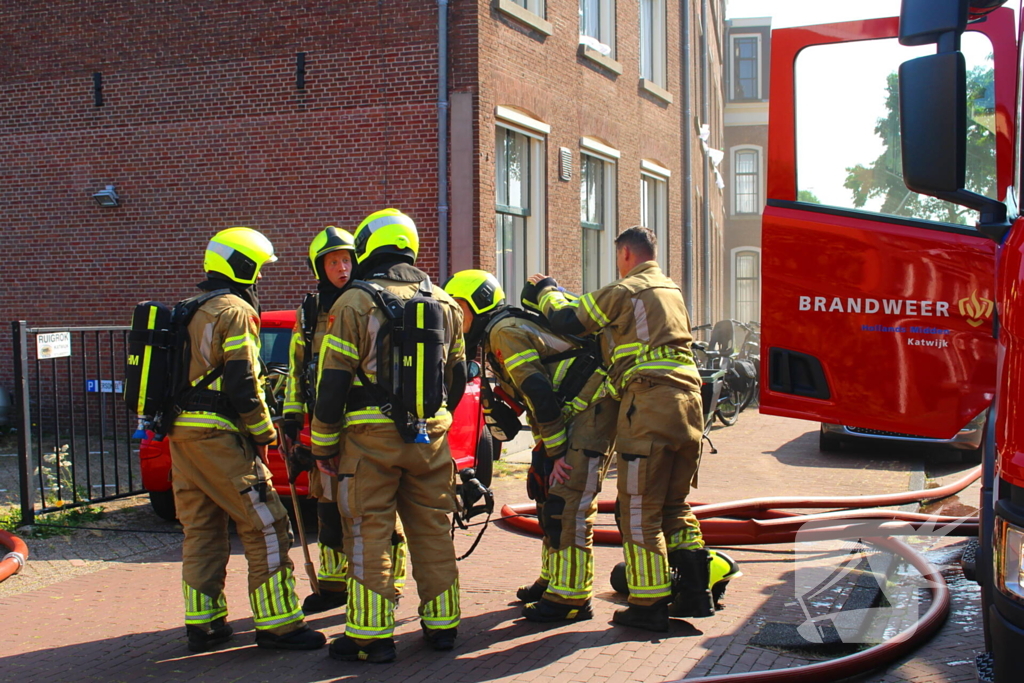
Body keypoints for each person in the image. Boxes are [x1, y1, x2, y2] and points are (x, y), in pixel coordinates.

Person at [523, 226, 712, 633]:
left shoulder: (627, 290)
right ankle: (698, 592)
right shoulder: (672, 291)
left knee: (638, 510)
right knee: (674, 506)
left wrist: (547, 289)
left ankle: (649, 604)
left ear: (625, 253)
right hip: (691, 406)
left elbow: (568, 319)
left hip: (650, 405)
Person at [311, 209, 466, 663]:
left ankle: (369, 636)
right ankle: (443, 626)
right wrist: (432, 420)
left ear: (368, 247)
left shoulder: (353, 302)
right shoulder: (445, 301)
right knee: (433, 529)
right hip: (430, 437)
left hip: (368, 441)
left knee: (368, 531)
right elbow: (457, 379)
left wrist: (323, 446)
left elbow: (332, 383)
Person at [168, 227, 326, 652]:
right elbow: (244, 380)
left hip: (182, 436)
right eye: (257, 268)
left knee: (201, 529)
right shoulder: (235, 311)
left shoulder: (187, 309)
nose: (259, 277)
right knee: (268, 525)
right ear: (241, 265)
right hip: (220, 436)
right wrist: (264, 433)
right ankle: (279, 625)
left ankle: (204, 624)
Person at [443, 269, 616, 623]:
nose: (456, 320)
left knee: (569, 502)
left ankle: (571, 597)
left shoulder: (503, 332)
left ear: (479, 304)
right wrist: (544, 449)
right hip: (566, 417)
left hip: (590, 411)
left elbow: (538, 390)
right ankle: (553, 580)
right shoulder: (499, 332)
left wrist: (556, 452)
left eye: (460, 309)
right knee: (547, 496)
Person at [280, 226, 407, 615]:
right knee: (328, 507)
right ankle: (334, 584)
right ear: (319, 268)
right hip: (325, 425)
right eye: (333, 262)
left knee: (376, 509)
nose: (342, 268)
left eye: (347, 260)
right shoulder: (310, 312)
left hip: (365, 426)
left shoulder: (371, 301)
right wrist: (291, 418)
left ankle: (389, 581)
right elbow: (298, 368)